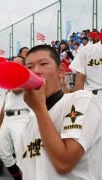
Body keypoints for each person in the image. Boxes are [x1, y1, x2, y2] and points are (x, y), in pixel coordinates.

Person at [21, 44, 102, 179]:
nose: (36, 71)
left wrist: (39, 108)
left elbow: (64, 163)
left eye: (43, 64)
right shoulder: (29, 122)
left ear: (61, 71)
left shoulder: (80, 100)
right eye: (29, 67)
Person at [0, 56, 30, 180]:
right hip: (7, 117)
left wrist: (9, 77)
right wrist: (0, 122)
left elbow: (17, 90)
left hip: (21, 117)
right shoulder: (9, 81)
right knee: (4, 153)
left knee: (21, 152)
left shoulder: (26, 75)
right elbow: (4, 105)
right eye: (13, 62)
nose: (15, 64)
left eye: (18, 62)